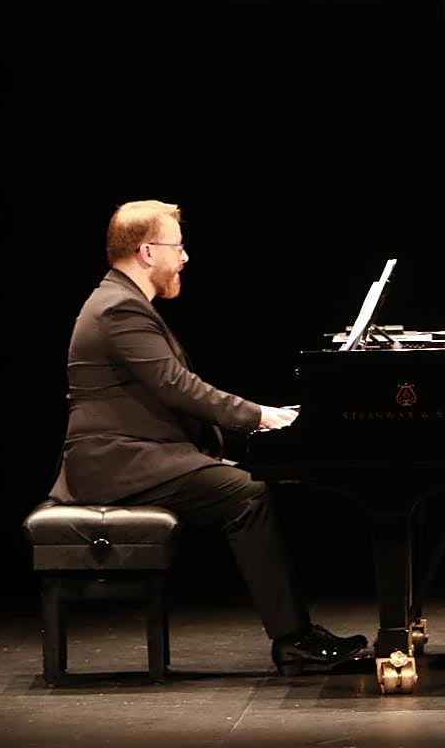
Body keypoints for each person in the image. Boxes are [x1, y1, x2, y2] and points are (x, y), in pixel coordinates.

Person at [48, 199, 366, 676]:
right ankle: (292, 639)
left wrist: (253, 423)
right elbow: (177, 387)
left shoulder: (122, 303)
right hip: (115, 465)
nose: (186, 257)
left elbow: (172, 390)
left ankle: (295, 633)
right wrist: (259, 417)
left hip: (136, 457)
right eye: (178, 246)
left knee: (251, 488)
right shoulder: (118, 310)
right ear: (147, 252)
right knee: (247, 495)